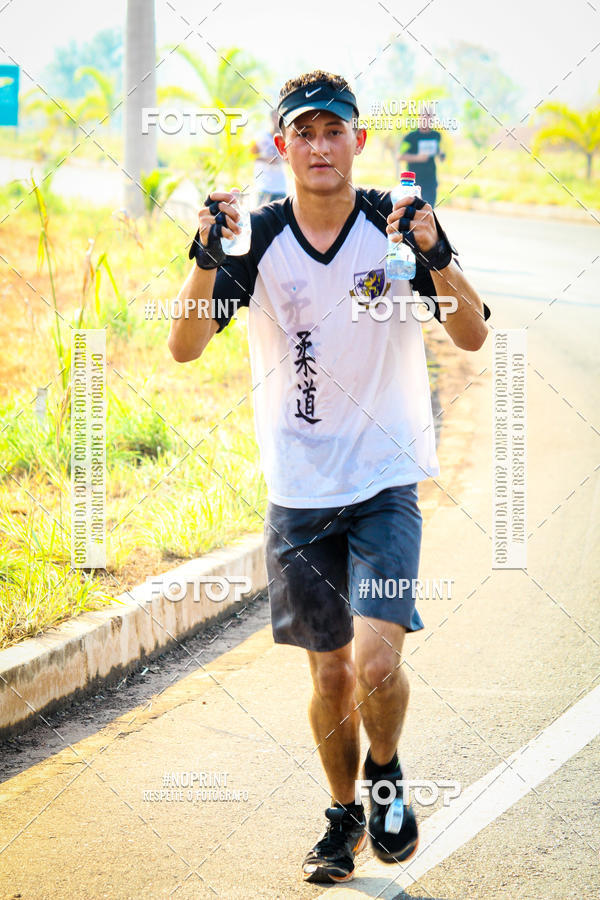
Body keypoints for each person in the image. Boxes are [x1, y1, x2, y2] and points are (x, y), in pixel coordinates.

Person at [168, 70, 490, 885]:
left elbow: (475, 333)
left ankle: (386, 774)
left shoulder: (395, 224)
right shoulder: (257, 237)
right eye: (303, 132)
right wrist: (205, 255)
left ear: (358, 141)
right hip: (299, 494)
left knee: (378, 665)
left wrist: (439, 257)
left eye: (332, 130)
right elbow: (183, 344)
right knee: (331, 672)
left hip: (384, 482)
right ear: (282, 145)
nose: (318, 145)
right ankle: (344, 814)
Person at [399, 114, 445, 207]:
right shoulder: (410, 137)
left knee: (428, 209)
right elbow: (400, 156)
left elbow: (437, 149)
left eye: (430, 117)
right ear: (419, 118)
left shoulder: (436, 135)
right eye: (424, 117)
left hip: (430, 180)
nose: (427, 119)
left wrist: (441, 154)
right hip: (412, 182)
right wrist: (418, 158)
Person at [250, 109, 287, 205]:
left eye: (279, 118)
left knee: (280, 218)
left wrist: (283, 159)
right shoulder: (261, 137)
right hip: (264, 185)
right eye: (275, 117)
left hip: (280, 186)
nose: (276, 120)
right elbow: (250, 155)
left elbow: (293, 160)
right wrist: (266, 159)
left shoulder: (286, 138)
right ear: (271, 119)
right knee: (261, 217)